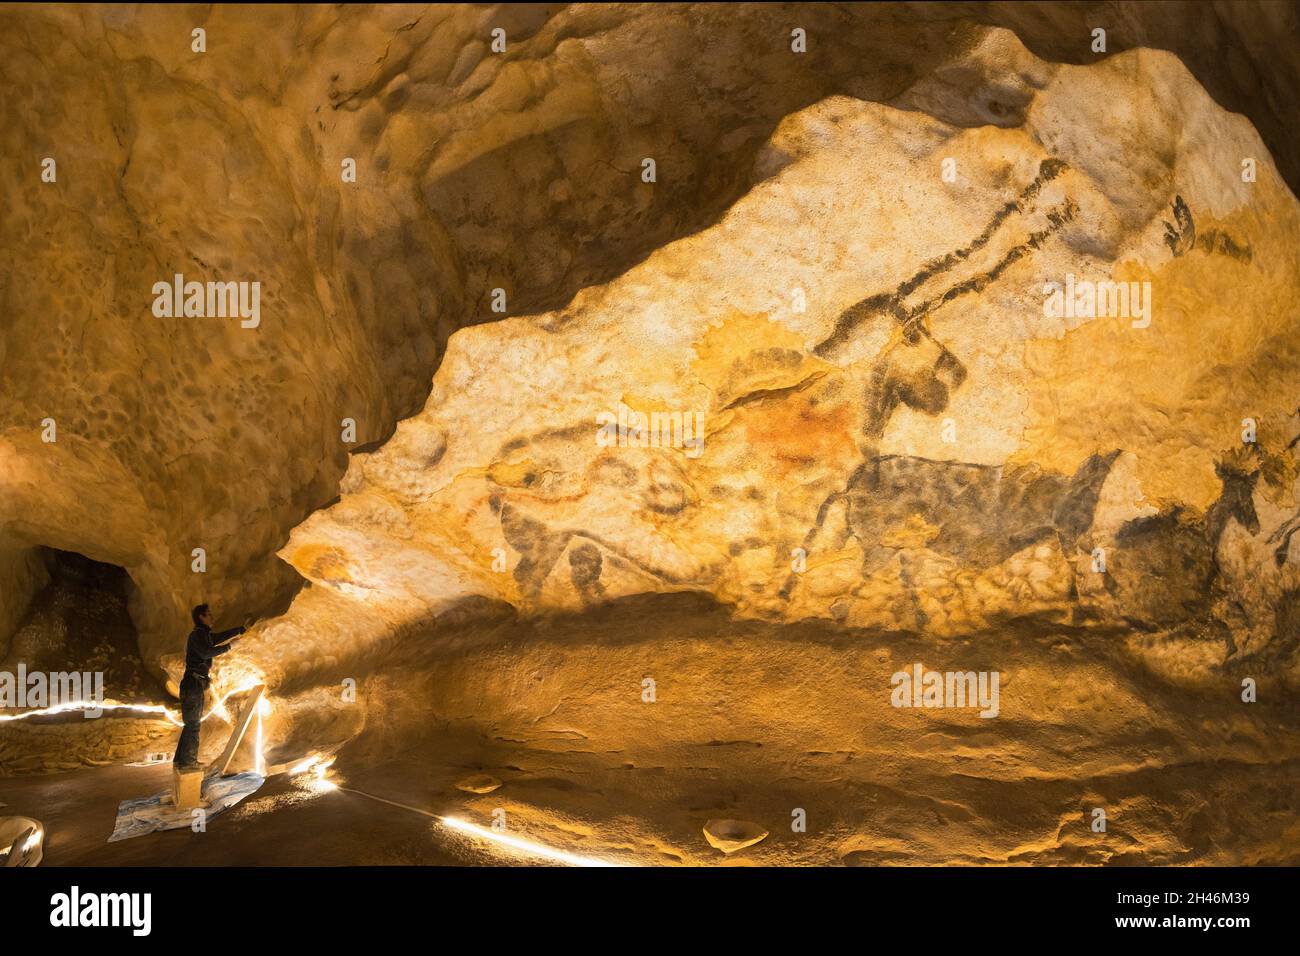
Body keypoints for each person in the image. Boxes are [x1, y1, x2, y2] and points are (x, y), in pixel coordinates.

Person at [172, 604, 245, 770]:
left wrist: (240, 629)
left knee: (190, 724)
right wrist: (230, 646)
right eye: (209, 615)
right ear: (201, 617)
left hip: (194, 684)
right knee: (193, 725)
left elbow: (218, 637)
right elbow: (206, 652)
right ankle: (188, 763)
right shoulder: (197, 635)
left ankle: (180, 760)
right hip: (193, 684)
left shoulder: (203, 635)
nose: (212, 618)